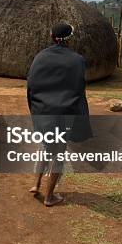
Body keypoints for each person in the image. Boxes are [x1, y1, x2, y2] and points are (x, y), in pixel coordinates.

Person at [26, 22, 91, 206]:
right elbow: (78, 90)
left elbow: (31, 86)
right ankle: (49, 196)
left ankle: (36, 184)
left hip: (42, 112)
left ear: (52, 36)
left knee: (45, 147)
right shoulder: (77, 60)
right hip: (64, 114)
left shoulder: (40, 57)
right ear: (70, 39)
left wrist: (35, 111)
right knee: (58, 154)